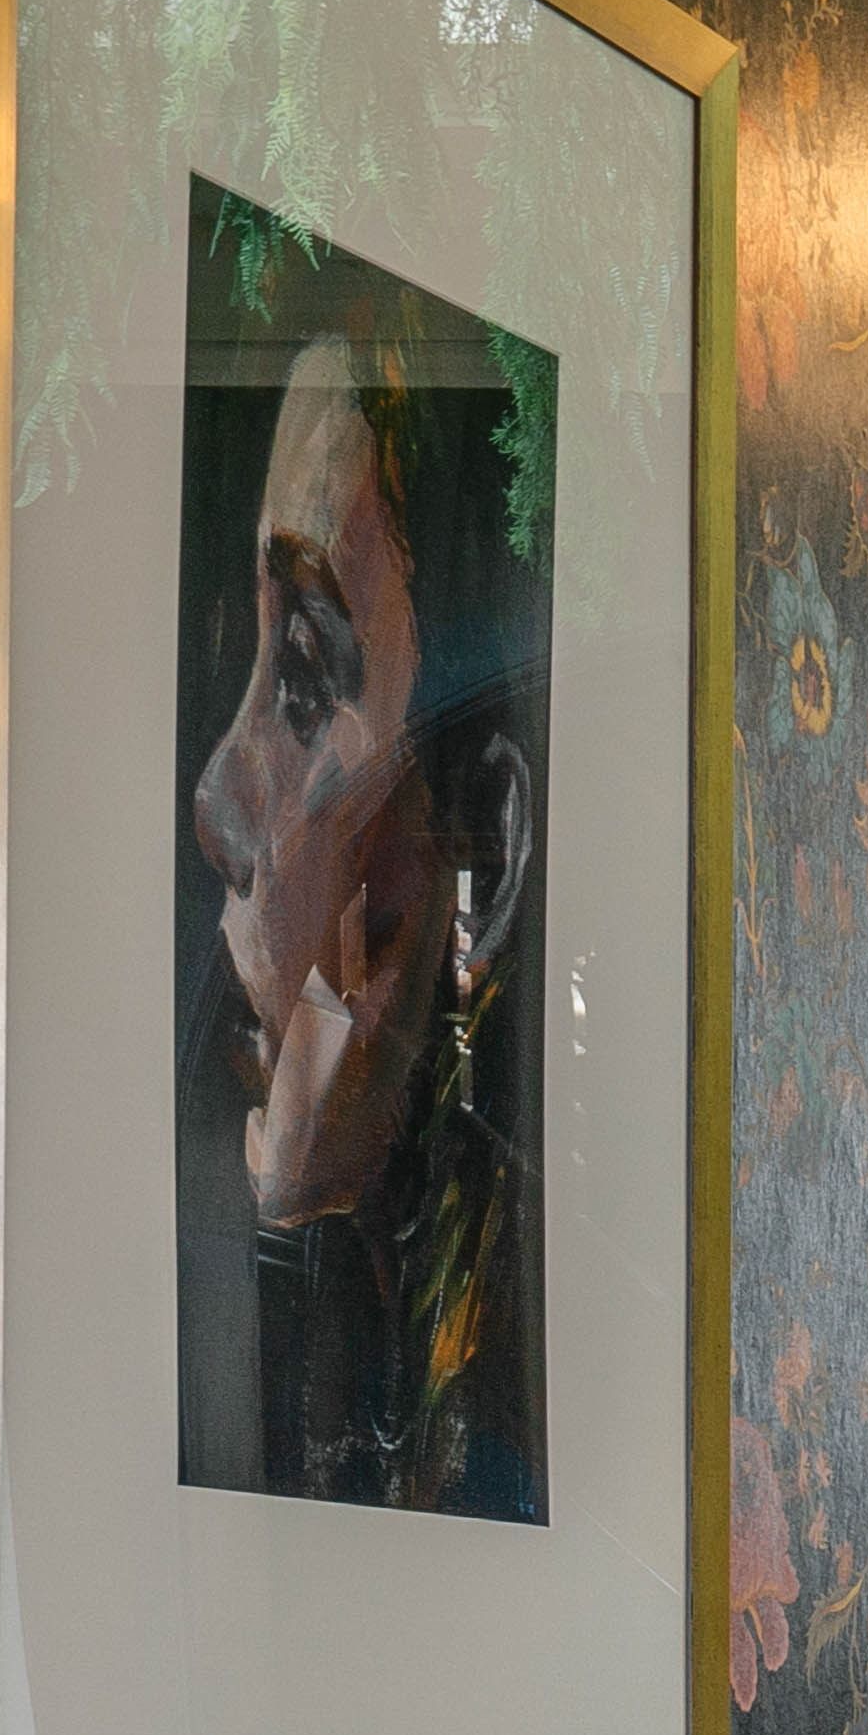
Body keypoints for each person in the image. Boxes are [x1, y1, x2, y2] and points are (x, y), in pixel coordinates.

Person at [181, 294, 551, 1521]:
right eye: (255, 649)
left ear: (486, 861)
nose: (217, 804)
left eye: (299, 674)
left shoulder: (520, 1398)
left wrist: (297, 1214)